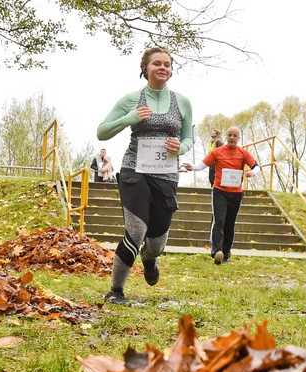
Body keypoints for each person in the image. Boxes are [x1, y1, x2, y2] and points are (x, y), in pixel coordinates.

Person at [96, 47, 193, 305]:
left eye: (167, 64)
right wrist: (130, 117)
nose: (162, 68)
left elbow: (188, 137)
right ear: (145, 68)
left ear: (171, 70)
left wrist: (181, 148)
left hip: (166, 176)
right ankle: (116, 290)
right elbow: (102, 132)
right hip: (134, 171)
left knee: (156, 242)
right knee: (136, 231)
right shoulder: (131, 99)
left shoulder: (182, 102)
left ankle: (150, 259)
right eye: (156, 64)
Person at [182, 126, 261, 265]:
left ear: (238, 138)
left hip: (236, 193)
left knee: (230, 224)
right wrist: (192, 167)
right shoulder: (217, 151)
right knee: (219, 221)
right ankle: (216, 251)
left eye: (234, 136)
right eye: (229, 135)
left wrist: (252, 173)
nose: (232, 138)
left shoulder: (243, 153)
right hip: (219, 191)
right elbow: (203, 164)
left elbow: (256, 166)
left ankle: (226, 253)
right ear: (226, 136)